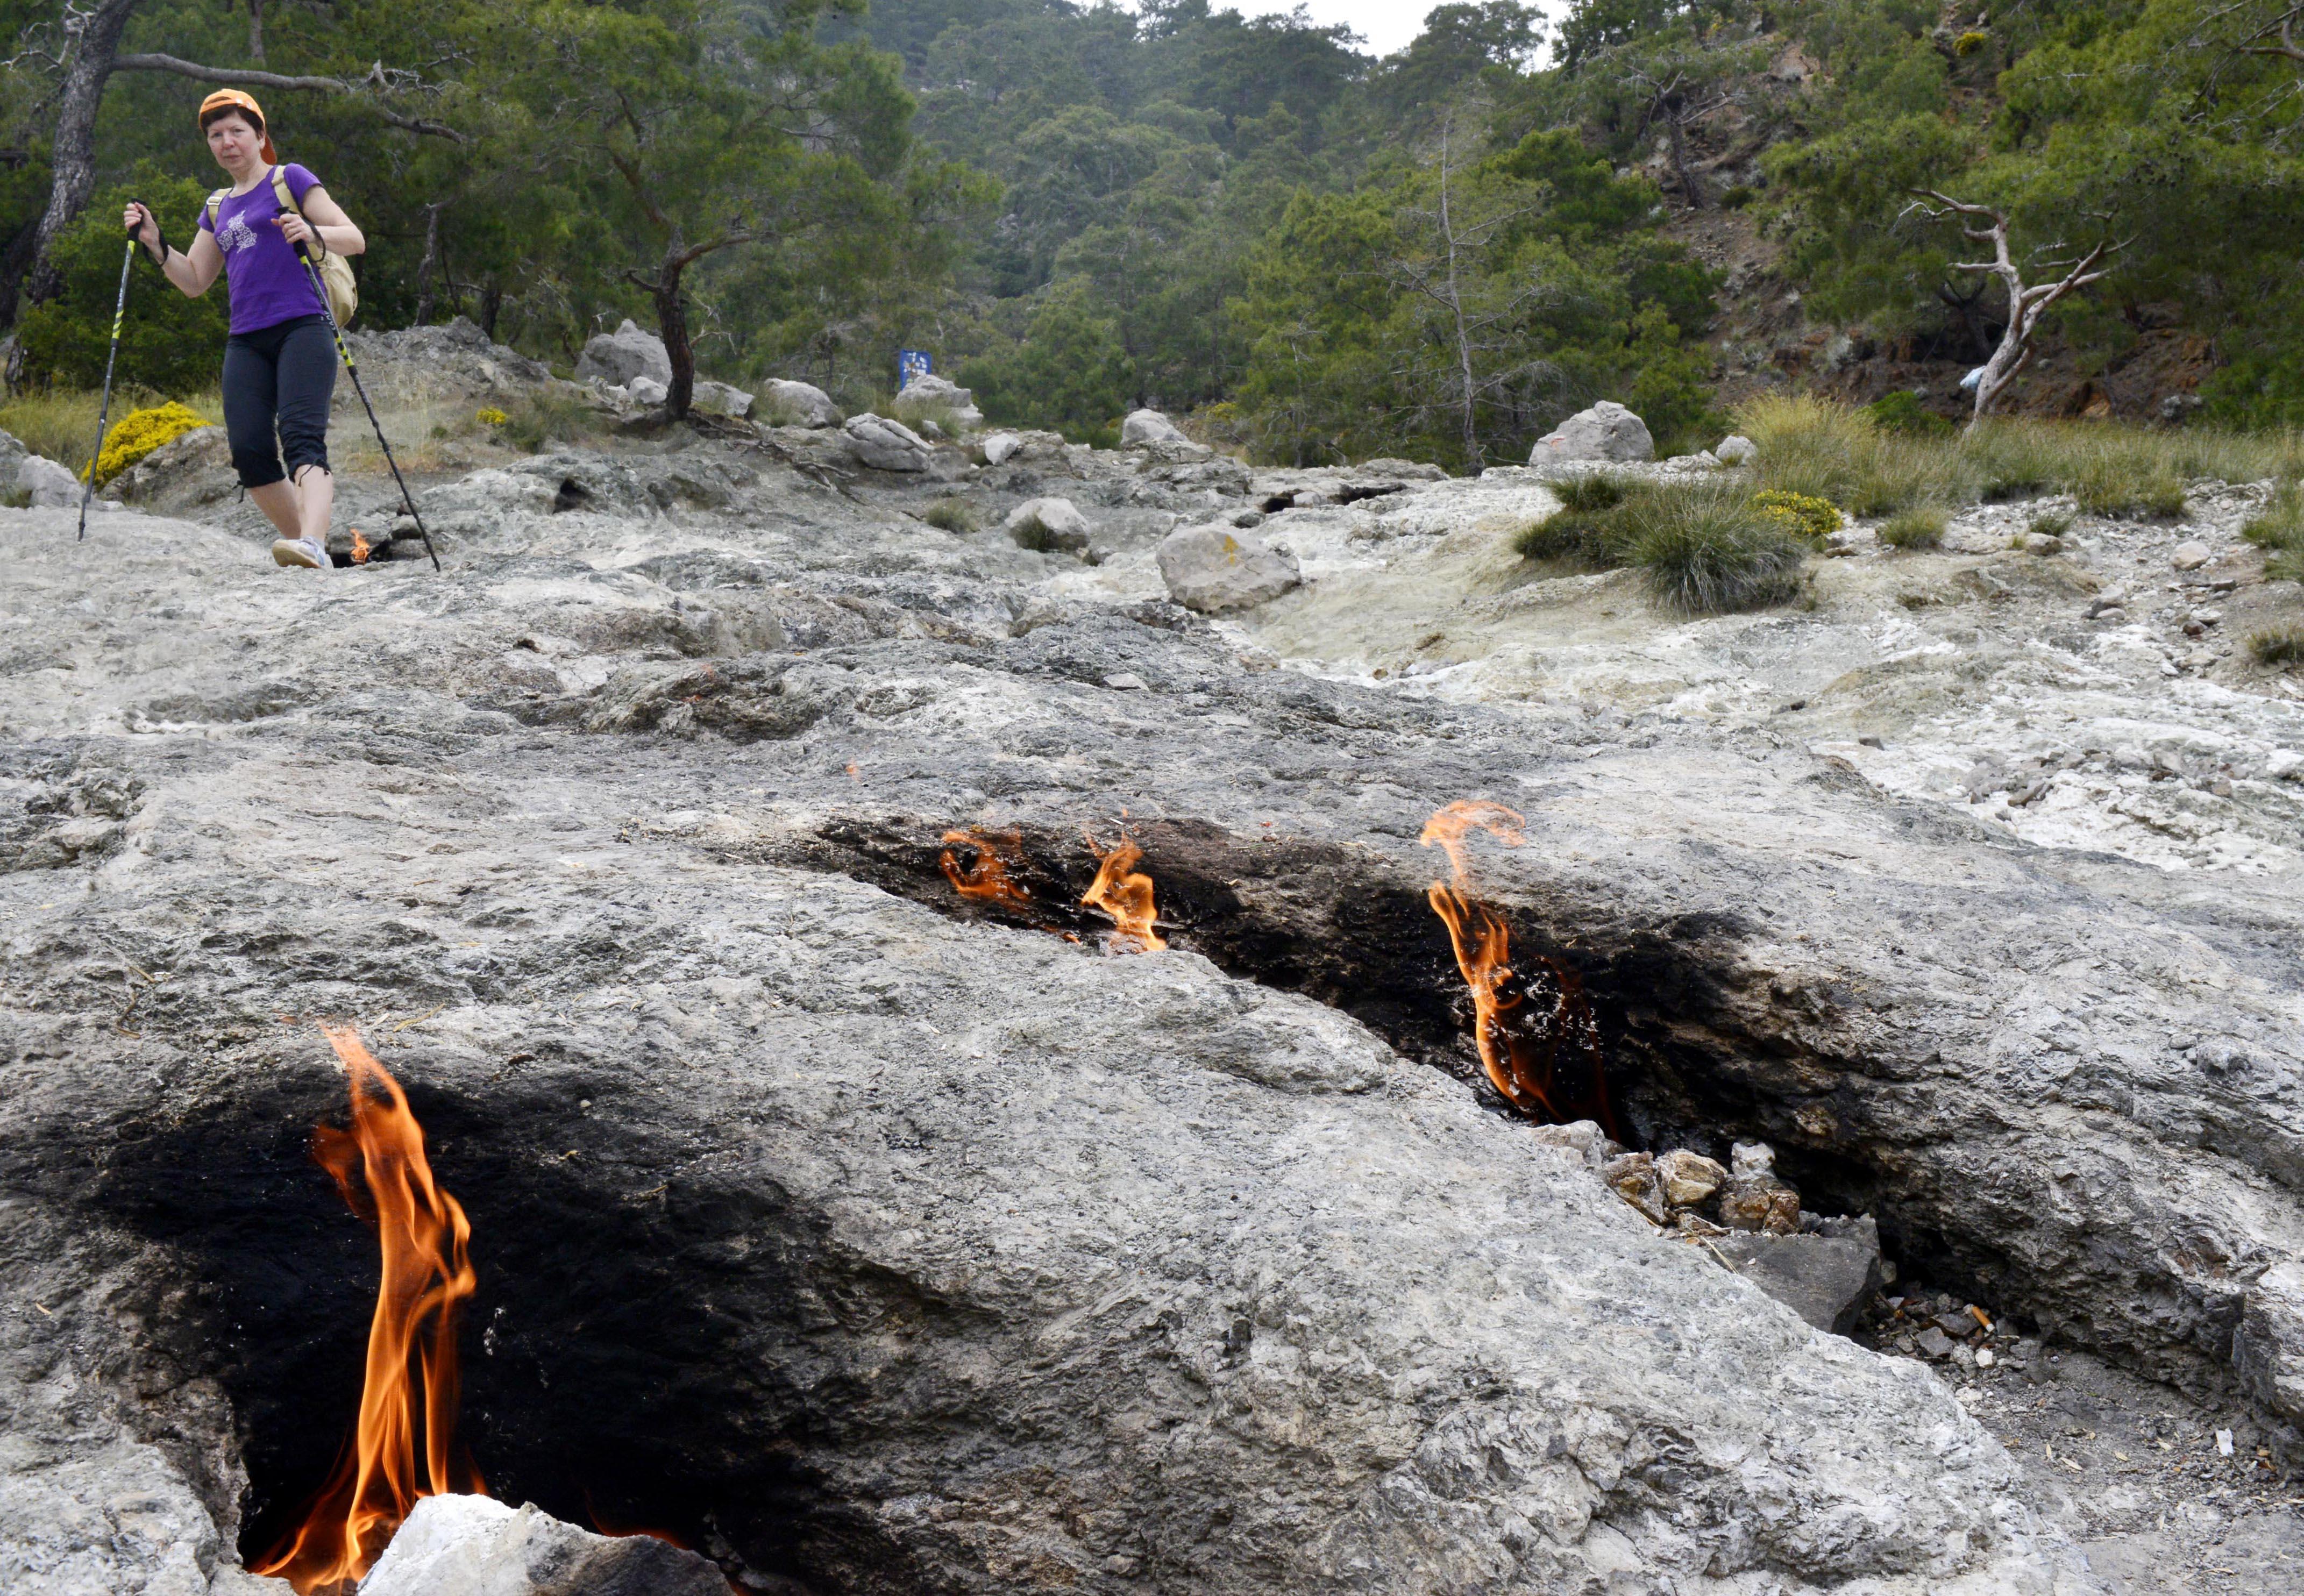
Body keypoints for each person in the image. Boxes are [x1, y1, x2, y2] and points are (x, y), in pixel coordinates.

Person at [123, 89, 365, 571]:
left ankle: (314, 543)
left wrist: (311, 233)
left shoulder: (288, 179)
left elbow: (353, 238)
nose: (227, 142)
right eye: (216, 135)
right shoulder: (218, 206)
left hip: (303, 325)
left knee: (300, 438)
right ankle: (307, 549)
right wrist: (155, 243)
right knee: (250, 453)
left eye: (237, 131)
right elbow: (194, 280)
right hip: (247, 339)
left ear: (260, 136)